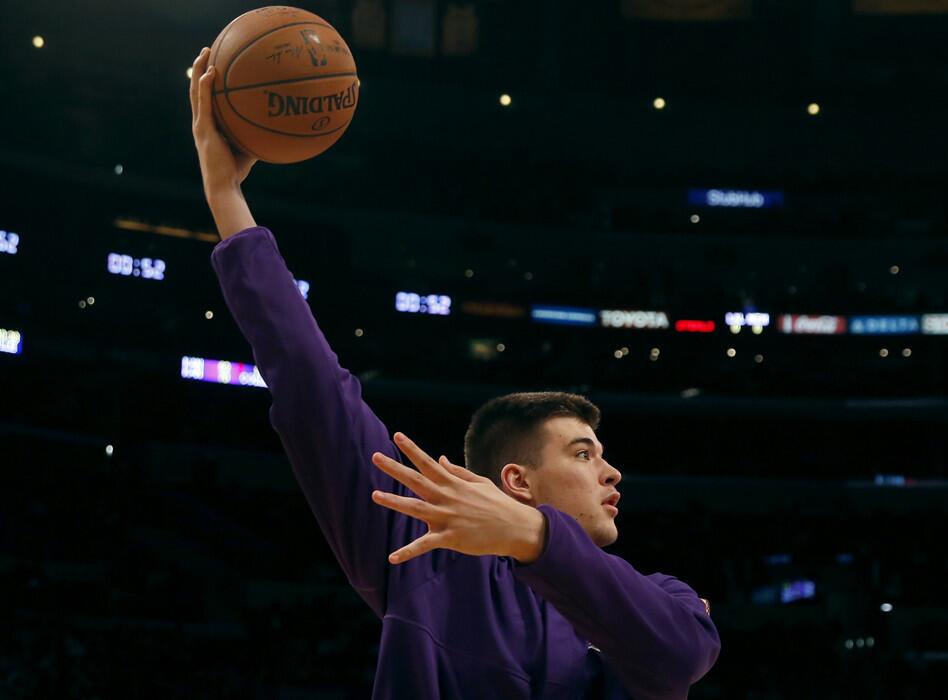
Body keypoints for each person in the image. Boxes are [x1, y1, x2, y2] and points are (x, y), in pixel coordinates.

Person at [188, 47, 720, 699]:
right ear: (516, 480)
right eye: (583, 454)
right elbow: (311, 385)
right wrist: (225, 195)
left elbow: (680, 655)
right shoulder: (426, 556)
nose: (611, 472)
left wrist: (533, 537)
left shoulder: (657, 598)